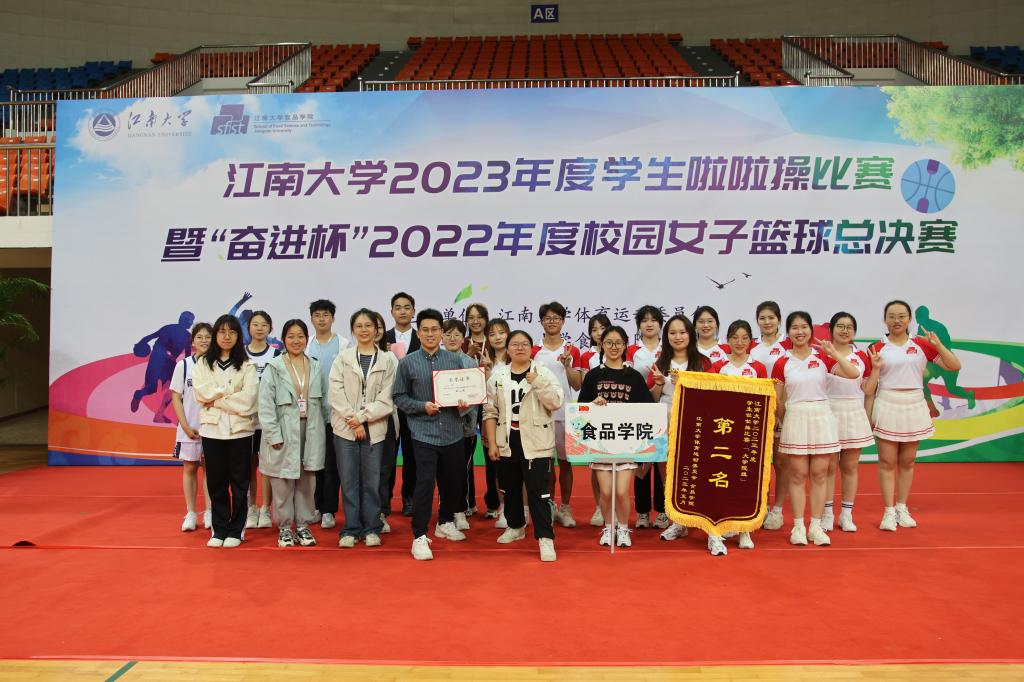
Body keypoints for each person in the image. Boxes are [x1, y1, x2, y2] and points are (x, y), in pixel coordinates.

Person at [869, 300, 962, 531]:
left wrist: (938, 345)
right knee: (887, 461)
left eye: (902, 316)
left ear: (909, 319)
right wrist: (868, 414)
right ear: (885, 319)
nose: (896, 320)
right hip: (887, 402)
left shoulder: (921, 344)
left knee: (908, 461)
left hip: (914, 403)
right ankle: (888, 512)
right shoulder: (877, 347)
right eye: (891, 316)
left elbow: (954, 365)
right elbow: (869, 386)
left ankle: (902, 508)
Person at [393, 309, 476, 561]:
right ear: (418, 333)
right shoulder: (407, 363)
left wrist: (465, 405)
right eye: (425, 330)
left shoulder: (455, 361)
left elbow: (469, 395)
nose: (430, 334)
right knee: (425, 485)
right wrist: (421, 406)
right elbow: (399, 397)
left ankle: (445, 522)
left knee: (454, 481)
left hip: (452, 432)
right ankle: (419, 535)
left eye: (435, 330)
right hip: (423, 433)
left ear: (441, 333)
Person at [772, 311, 859, 547]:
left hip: (821, 416)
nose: (799, 332)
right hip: (795, 417)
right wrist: (788, 420)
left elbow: (854, 373)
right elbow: (777, 400)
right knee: (798, 474)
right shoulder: (782, 363)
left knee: (820, 474)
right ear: (788, 332)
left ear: (811, 330)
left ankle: (816, 527)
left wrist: (834, 354)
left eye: (804, 327)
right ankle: (799, 526)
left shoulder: (823, 357)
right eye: (794, 328)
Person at [483, 329, 563, 561]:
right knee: (510, 489)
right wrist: (492, 443)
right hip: (507, 440)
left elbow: (556, 401)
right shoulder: (498, 376)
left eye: (524, 344)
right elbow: (490, 411)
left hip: (537, 441)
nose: (520, 348)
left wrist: (537, 382)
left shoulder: (542, 372)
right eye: (515, 344)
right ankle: (516, 526)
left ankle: (545, 538)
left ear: (531, 348)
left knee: (539, 492)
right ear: (507, 349)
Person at [577, 325, 655, 548]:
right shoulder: (593, 376)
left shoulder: (634, 377)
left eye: (618, 343)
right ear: (601, 345)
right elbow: (581, 409)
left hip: (627, 444)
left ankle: (623, 528)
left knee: (621, 492)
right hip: (601, 444)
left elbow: (647, 409)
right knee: (606, 491)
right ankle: (608, 527)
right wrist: (592, 404)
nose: (614, 347)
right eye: (609, 343)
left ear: (625, 345)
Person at [330, 309, 398, 548]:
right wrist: (353, 420)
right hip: (345, 428)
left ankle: (371, 528)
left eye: (368, 325)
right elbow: (335, 393)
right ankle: (350, 529)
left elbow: (386, 399)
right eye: (359, 326)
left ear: (376, 329)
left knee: (372, 481)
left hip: (375, 428)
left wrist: (361, 418)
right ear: (353, 330)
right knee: (349, 481)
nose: (364, 330)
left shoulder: (388, 360)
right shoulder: (343, 358)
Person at [191, 314, 259, 548]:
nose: (227, 336)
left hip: (241, 431)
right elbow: (202, 394)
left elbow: (249, 401)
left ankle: (236, 529)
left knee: (240, 482)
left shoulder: (247, 365)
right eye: (222, 332)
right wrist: (231, 394)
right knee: (216, 482)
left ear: (239, 336)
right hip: (212, 431)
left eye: (232, 332)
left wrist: (218, 399)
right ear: (215, 335)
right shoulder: (202, 364)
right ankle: (219, 529)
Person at [258, 319, 326, 548]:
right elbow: (265, 405)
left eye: (300, 336)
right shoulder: (274, 367)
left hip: (310, 430)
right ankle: (285, 528)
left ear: (307, 339)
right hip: (284, 430)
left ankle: (304, 526)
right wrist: (273, 435)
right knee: (282, 481)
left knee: (307, 481)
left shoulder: (315, 366)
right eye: (291, 336)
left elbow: (323, 402)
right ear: (283, 340)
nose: (296, 341)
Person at [649, 315, 713, 544]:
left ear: (690, 334)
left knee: (696, 470)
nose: (678, 337)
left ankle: (703, 518)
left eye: (682, 332)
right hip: (665, 419)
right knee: (668, 471)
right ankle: (677, 521)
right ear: (666, 336)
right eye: (672, 333)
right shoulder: (660, 362)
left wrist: (685, 384)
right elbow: (651, 398)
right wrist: (659, 384)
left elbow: (712, 395)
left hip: (694, 419)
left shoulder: (703, 363)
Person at [704, 319, 766, 554]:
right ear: (727, 340)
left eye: (744, 338)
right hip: (723, 431)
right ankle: (718, 527)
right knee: (721, 480)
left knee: (745, 479)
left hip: (749, 431)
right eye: (735, 338)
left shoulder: (758, 367)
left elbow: (766, 398)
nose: (740, 342)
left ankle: (744, 529)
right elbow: (707, 394)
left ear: (751, 340)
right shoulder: (718, 366)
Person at [531, 302, 583, 529]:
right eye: (547, 318)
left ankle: (566, 507)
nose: (552, 322)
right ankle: (550, 505)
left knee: (565, 463)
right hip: (541, 414)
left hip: (565, 413)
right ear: (541, 322)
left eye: (556, 318)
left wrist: (568, 365)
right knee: (546, 464)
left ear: (563, 321)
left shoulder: (572, 350)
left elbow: (577, 384)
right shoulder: (533, 351)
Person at [824, 312, 876, 533]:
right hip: (829, 410)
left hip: (854, 411)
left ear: (854, 331)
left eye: (849, 327)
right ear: (832, 329)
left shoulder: (862, 356)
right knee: (828, 467)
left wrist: (877, 369)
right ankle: (827, 514)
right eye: (840, 326)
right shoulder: (823, 355)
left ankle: (846, 514)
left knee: (850, 467)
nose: (845, 331)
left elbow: (868, 390)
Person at [307, 299, 351, 531]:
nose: (321, 319)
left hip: (337, 414)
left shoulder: (344, 345)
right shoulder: (306, 345)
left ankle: (328, 510)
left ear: (333, 318)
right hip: (311, 414)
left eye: (326, 315)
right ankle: (315, 505)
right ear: (311, 319)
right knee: (314, 463)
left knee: (332, 465)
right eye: (317, 315)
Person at [749, 301, 792, 531]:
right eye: (762, 318)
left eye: (771, 318)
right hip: (757, 411)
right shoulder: (751, 346)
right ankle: (762, 505)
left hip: (782, 410)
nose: (767, 322)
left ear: (779, 319)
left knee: (781, 463)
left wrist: (780, 410)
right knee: (759, 462)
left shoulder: (788, 345)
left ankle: (778, 509)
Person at [626, 305, 669, 531]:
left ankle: (662, 511)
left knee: (662, 461)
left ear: (660, 324)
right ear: (639, 325)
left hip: (664, 412)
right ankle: (642, 512)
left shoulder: (668, 348)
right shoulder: (633, 350)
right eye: (644, 320)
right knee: (641, 464)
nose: (649, 324)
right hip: (640, 412)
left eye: (653, 320)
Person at [171, 322, 213, 532]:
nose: (204, 340)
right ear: (193, 341)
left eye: (208, 337)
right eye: (200, 337)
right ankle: (191, 513)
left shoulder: (217, 365)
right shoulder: (184, 365)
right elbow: (176, 397)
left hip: (213, 428)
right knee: (190, 468)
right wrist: (185, 426)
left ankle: (210, 511)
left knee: (210, 470)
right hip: (189, 429)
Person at [442, 319, 481, 532]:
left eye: (457, 334)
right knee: (443, 471)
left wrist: (460, 411)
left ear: (463, 338)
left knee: (462, 470)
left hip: (465, 427)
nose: (452, 338)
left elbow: (476, 395)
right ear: (441, 336)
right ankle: (446, 509)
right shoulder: (436, 361)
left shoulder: (470, 363)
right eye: (448, 334)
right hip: (441, 426)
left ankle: (460, 510)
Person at [384, 292, 419, 516]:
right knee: (386, 455)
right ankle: (384, 500)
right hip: (387, 405)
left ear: (413, 311)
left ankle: (409, 497)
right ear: (392, 312)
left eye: (407, 307)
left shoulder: (422, 337)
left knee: (412, 455)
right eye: (398, 307)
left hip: (414, 405)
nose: (403, 311)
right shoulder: (382, 338)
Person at [245, 311, 280, 531]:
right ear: (249, 328)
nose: (259, 328)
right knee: (248, 466)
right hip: (246, 422)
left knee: (267, 467)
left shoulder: (276, 355)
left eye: (264, 324)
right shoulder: (240, 354)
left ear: (270, 329)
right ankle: (251, 508)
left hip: (268, 421)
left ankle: (266, 508)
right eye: (255, 324)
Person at [130, 310, 195, 420]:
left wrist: (141, 343)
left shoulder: (169, 328)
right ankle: (158, 412)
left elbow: (150, 337)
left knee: (153, 388)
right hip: (164, 362)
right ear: (187, 321)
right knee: (174, 388)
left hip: (158, 359)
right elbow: (187, 357)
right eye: (191, 321)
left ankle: (144, 399)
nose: (192, 323)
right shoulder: (186, 336)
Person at [578, 313, 611, 527]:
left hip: (618, 415)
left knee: (619, 464)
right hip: (596, 414)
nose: (599, 333)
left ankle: (614, 506)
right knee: (597, 463)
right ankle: (599, 507)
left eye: (602, 328)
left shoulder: (622, 352)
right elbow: (584, 386)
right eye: (594, 329)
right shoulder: (588, 356)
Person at [478, 318, 510, 521]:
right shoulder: (483, 361)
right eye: (492, 334)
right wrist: (486, 371)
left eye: (501, 332)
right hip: (492, 420)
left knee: (513, 467)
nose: (497, 337)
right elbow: (482, 395)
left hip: (514, 421)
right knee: (495, 467)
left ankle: (517, 508)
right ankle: (502, 508)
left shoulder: (517, 358)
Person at [373, 310, 398, 535]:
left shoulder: (390, 358)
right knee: (363, 471)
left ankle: (381, 512)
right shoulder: (348, 356)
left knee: (383, 470)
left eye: (378, 327)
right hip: (358, 423)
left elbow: (393, 393)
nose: (373, 331)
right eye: (365, 326)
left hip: (386, 419)